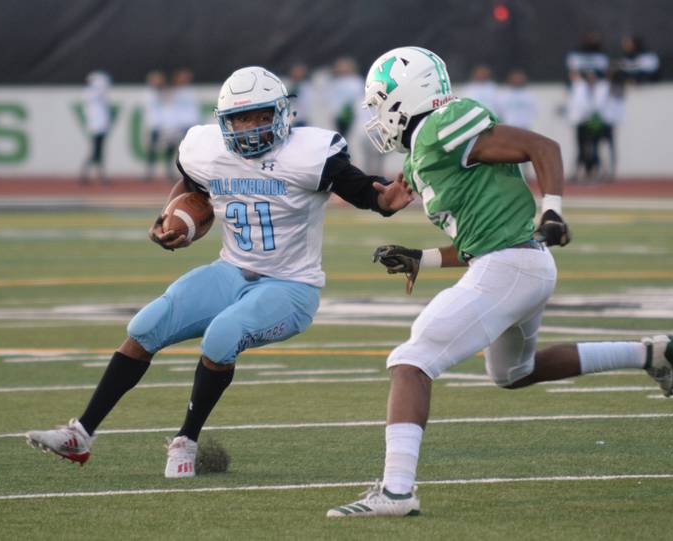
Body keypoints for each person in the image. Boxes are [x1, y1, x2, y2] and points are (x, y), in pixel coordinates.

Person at [327, 46, 673, 518]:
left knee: (411, 360)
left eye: (379, 101)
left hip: (512, 266)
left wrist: (551, 209)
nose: (376, 113)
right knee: (514, 372)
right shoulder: (422, 154)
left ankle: (396, 492)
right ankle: (649, 353)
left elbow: (544, 148)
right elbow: (465, 232)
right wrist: (422, 258)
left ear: (404, 97)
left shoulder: (441, 126)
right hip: (515, 264)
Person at [25, 66, 413, 477]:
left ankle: (185, 441)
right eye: (240, 119)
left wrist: (390, 197)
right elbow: (190, 185)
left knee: (221, 335)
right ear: (223, 122)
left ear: (281, 113)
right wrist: (168, 218)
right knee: (145, 325)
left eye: (261, 115)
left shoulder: (310, 153)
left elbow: (367, 193)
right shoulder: (205, 148)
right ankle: (80, 434)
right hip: (230, 271)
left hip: (290, 286)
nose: (250, 127)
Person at [79, 71, 113, 185]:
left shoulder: (98, 96)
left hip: (100, 126)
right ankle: (95, 175)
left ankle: (92, 175)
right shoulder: (90, 93)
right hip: (96, 127)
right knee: (96, 152)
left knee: (97, 152)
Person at [143, 70, 167, 180]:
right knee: (152, 149)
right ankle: (149, 171)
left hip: (163, 125)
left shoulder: (162, 93)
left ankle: (167, 170)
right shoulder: (149, 93)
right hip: (153, 125)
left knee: (167, 148)